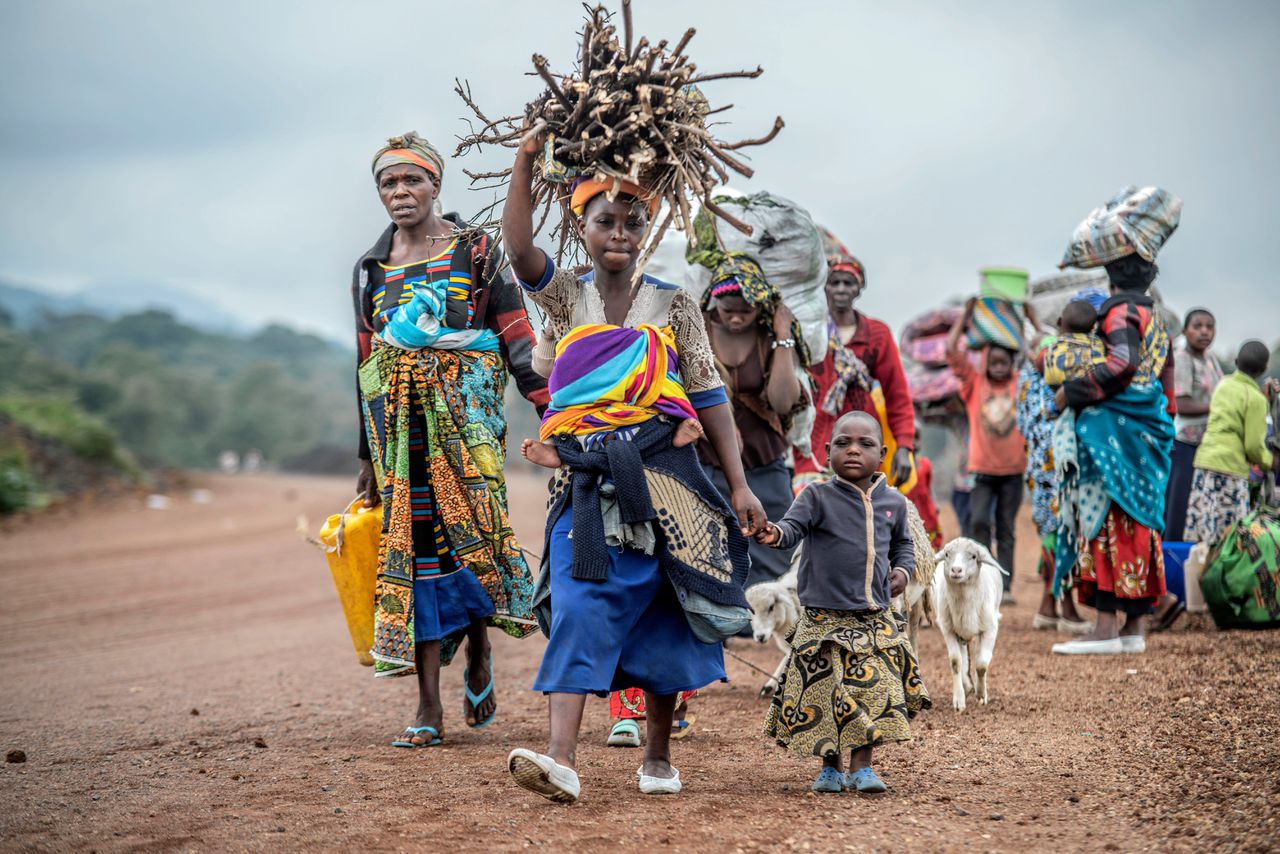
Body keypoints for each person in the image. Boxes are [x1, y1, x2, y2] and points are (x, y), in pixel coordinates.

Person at [501, 130, 763, 802]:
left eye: (633, 221)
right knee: (580, 602)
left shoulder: (673, 303)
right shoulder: (565, 297)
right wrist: (527, 160)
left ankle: (657, 756)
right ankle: (561, 760)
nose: (620, 232)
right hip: (587, 484)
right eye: (605, 221)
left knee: (665, 611)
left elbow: (709, 400)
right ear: (581, 228)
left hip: (666, 481)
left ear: (648, 229)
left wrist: (738, 485)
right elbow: (519, 250)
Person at [351, 132, 549, 747]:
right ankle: (428, 705)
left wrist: (554, 416)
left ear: (436, 185)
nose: (400, 192)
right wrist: (367, 457)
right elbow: (365, 362)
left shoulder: (476, 249)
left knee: (474, 541)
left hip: (469, 427)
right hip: (400, 434)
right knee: (416, 554)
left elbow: (517, 335)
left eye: (411, 180)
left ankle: (482, 651)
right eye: (388, 183)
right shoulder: (371, 269)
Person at [757, 410, 930, 794]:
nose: (853, 450)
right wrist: (772, 534)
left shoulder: (894, 503)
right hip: (823, 621)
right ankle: (830, 767)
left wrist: (901, 572)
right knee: (826, 693)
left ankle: (863, 768)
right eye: (843, 443)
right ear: (827, 450)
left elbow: (903, 545)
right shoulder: (816, 496)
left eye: (865, 444)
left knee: (873, 691)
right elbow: (791, 529)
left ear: (882, 454)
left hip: (873, 619)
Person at [1050, 254, 1176, 655]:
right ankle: (1134, 626)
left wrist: (1070, 392)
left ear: (1111, 277)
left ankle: (1105, 627)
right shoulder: (1157, 317)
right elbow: (1165, 384)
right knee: (1139, 522)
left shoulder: (1120, 310)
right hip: (1148, 428)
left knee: (1107, 515)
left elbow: (1121, 365)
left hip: (1116, 429)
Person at [794, 253, 915, 491]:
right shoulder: (809, 331)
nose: (840, 289)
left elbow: (897, 395)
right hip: (813, 441)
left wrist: (904, 446)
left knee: (859, 513)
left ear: (859, 288)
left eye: (848, 283)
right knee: (809, 507)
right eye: (834, 282)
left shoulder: (876, 335)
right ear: (824, 287)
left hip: (861, 443)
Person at [946, 297, 1027, 604]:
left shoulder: (1021, 384)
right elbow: (952, 352)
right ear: (985, 363)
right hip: (981, 471)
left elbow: (1035, 361)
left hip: (1013, 472)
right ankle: (983, 577)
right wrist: (966, 316)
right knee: (978, 521)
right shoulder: (975, 384)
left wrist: (1026, 320)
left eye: (1003, 363)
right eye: (992, 362)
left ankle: (1004, 587)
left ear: (1011, 363)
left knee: (1006, 528)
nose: (998, 368)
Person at [1017, 334, 1089, 633]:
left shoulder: (1033, 382)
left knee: (1059, 535)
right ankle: (1063, 606)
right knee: (1059, 535)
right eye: (1044, 353)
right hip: (1050, 475)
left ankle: (1050, 605)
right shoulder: (1038, 386)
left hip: (1047, 471)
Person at [1184, 340, 1278, 547]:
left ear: (1236, 361)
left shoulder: (1224, 383)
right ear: (1264, 369)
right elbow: (1253, 446)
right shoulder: (1256, 399)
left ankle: (1195, 575)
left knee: (1204, 530)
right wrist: (1270, 461)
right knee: (1229, 538)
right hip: (1229, 469)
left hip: (1204, 463)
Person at [1164, 309, 1223, 540]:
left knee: (1198, 507)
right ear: (1184, 331)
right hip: (1183, 444)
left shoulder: (1210, 359)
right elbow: (1181, 403)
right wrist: (1221, 407)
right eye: (1197, 326)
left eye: (1209, 326)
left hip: (1206, 445)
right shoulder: (1182, 358)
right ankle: (1171, 562)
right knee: (1178, 507)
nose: (1204, 331)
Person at [1043, 300, 1105, 386]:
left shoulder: (1052, 347)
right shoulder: (1098, 342)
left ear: (1059, 322)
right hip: (1097, 386)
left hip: (1063, 393)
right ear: (1093, 327)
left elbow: (1049, 379)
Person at [904, 424, 943, 550]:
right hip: (908, 510)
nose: (913, 443)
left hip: (926, 510)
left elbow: (929, 488)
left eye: (917, 438)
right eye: (909, 438)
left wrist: (935, 505)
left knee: (929, 542)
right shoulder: (900, 467)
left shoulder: (925, 463)